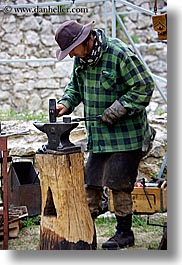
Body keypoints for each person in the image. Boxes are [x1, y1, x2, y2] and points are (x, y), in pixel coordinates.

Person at [55, 20, 155, 250]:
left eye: (72, 51)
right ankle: (85, 233)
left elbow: (144, 87)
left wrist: (119, 108)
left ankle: (124, 234)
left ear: (84, 41)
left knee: (119, 184)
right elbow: (75, 87)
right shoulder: (82, 60)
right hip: (99, 138)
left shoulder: (119, 53)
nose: (71, 56)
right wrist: (65, 103)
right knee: (91, 184)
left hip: (126, 136)